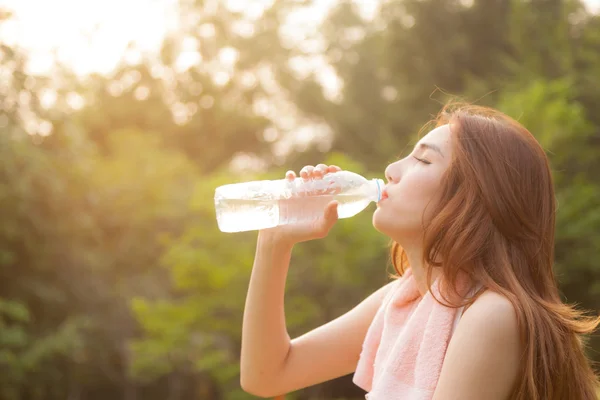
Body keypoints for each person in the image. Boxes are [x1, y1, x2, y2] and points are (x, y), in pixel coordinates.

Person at [239, 104, 600, 400]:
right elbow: (268, 375)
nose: (391, 170)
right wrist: (274, 242)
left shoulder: (493, 315)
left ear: (474, 200)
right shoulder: (403, 302)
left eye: (423, 161)